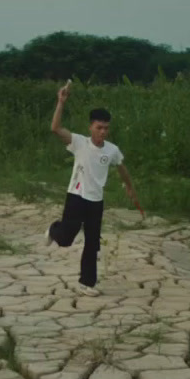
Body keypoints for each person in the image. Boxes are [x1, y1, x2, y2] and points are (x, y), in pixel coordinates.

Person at [45, 80, 142, 296]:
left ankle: (86, 283)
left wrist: (129, 187)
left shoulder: (112, 150)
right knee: (66, 239)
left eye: (106, 128)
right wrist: (61, 102)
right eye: (99, 128)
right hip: (76, 196)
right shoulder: (79, 143)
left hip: (95, 202)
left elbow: (121, 167)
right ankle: (54, 229)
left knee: (92, 243)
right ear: (91, 127)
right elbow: (55, 128)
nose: (103, 132)